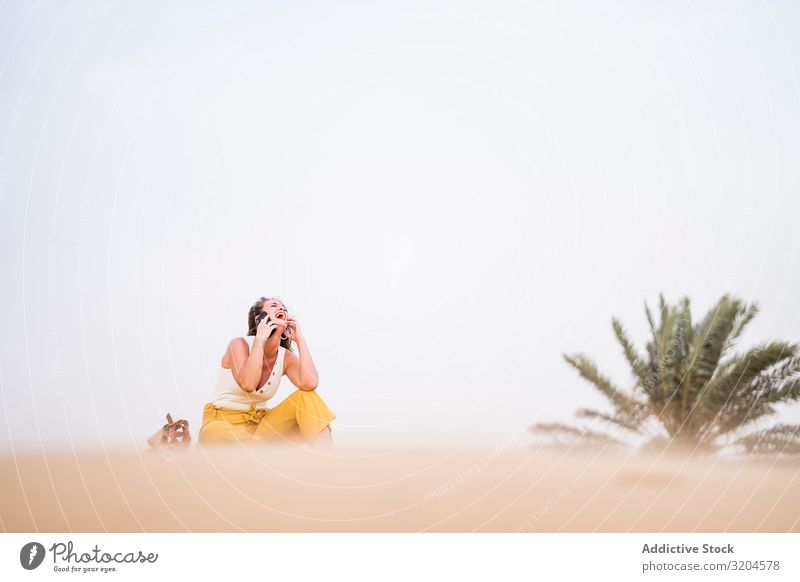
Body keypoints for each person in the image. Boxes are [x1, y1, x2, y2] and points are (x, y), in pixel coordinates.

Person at [198, 297, 336, 448]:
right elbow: (249, 384)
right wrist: (260, 338)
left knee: (306, 396)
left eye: (284, 308)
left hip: (261, 427)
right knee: (212, 432)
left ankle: (327, 459)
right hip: (223, 423)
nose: (282, 309)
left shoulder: (286, 357)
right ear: (260, 319)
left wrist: (300, 340)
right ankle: (263, 453)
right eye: (274, 306)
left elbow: (310, 384)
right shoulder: (239, 344)